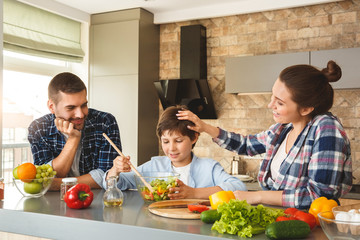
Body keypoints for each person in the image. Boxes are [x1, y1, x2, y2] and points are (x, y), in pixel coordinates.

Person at [177, 60, 352, 209]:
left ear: (306, 108)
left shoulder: (326, 128)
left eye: (280, 102)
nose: (270, 105)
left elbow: (318, 197)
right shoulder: (281, 130)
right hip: (278, 222)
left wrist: (258, 196)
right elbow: (246, 145)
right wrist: (205, 127)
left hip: (308, 227)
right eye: (272, 97)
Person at [103, 105, 246, 199]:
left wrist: (194, 193)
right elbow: (119, 183)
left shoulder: (209, 167)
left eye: (178, 141)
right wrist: (115, 170)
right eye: (166, 141)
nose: (171, 148)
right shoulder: (154, 166)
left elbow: (239, 187)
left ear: (194, 137)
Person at [28, 72, 122, 190]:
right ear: (52, 106)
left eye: (83, 105)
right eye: (71, 108)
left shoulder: (105, 122)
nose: (80, 114)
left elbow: (107, 176)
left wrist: (57, 184)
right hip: (53, 202)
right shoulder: (38, 128)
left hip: (95, 199)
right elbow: (47, 175)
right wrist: (73, 139)